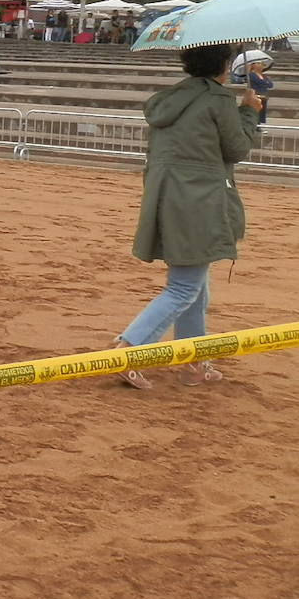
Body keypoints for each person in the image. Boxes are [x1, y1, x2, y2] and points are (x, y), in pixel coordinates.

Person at [111, 43, 263, 389]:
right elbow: (237, 148)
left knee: (195, 285)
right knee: (184, 287)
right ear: (224, 66)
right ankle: (129, 348)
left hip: (168, 196)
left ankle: (193, 361)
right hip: (198, 199)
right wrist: (249, 111)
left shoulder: (171, 99)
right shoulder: (217, 100)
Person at [247, 60, 274, 126]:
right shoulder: (251, 75)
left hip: (264, 96)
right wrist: (265, 82)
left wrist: (264, 82)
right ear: (253, 65)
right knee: (256, 112)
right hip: (256, 96)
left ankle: (260, 125)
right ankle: (255, 126)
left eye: (261, 64)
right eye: (258, 63)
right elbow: (260, 82)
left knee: (262, 112)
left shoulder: (264, 75)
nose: (261, 65)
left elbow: (270, 84)